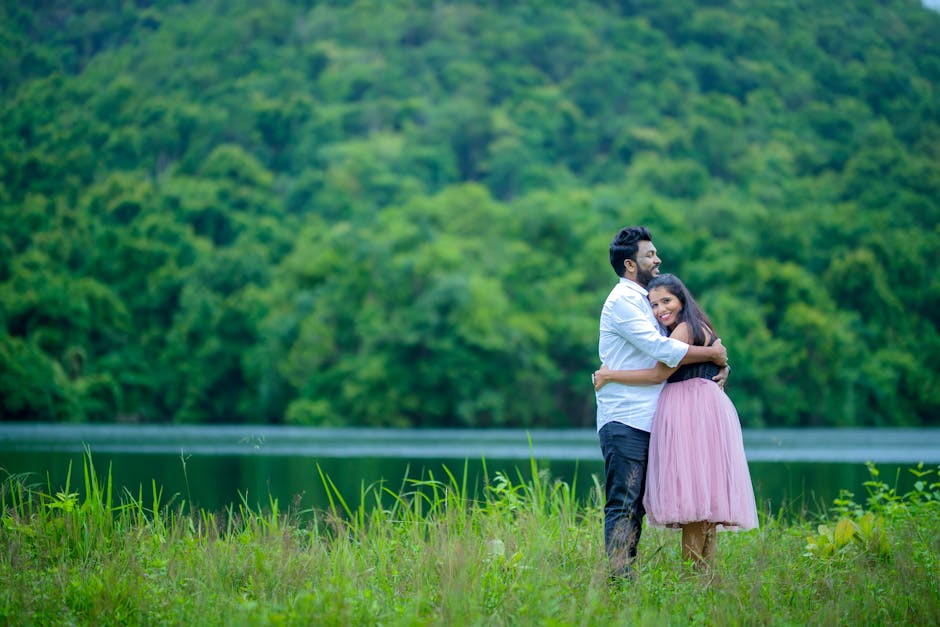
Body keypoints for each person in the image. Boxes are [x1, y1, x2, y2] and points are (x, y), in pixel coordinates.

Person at [594, 273, 758, 572]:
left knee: (695, 500)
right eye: (654, 305)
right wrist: (719, 358)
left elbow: (658, 374)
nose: (660, 310)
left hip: (690, 410)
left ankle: (692, 577)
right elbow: (713, 356)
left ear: (682, 299)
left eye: (666, 301)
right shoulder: (699, 326)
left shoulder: (682, 331)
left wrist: (609, 374)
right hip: (704, 407)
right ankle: (705, 575)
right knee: (705, 499)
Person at [596, 226, 728, 581]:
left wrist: (719, 362)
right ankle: (621, 581)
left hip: (658, 418)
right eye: (650, 254)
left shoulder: (649, 299)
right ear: (629, 264)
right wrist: (714, 353)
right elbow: (664, 352)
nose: (657, 259)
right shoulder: (622, 301)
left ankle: (691, 577)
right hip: (625, 419)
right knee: (625, 503)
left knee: (670, 499)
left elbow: (681, 344)